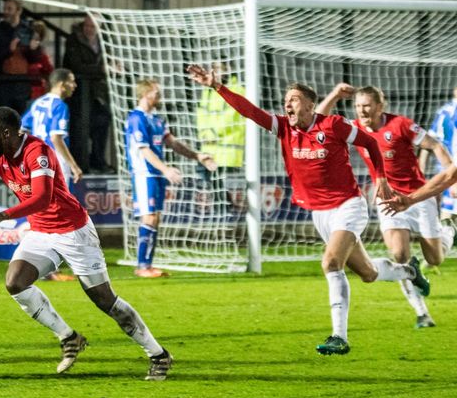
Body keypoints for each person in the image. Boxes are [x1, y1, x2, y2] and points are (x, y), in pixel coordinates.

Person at [0, 107, 174, 381]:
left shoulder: (39, 153)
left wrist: (4, 214)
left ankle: (158, 354)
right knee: (15, 282)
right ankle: (69, 337)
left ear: (8, 133)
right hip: (41, 232)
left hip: (74, 231)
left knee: (104, 300)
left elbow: (42, 199)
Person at [187, 64, 430, 355]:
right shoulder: (284, 128)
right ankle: (408, 271)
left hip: (349, 206)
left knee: (330, 263)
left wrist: (380, 179)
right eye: (286, 99)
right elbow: (250, 111)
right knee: (367, 273)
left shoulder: (333, 125)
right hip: (319, 213)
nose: (287, 103)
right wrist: (217, 86)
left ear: (311, 104)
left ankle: (339, 337)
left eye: (294, 99)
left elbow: (370, 143)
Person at [317, 83, 454, 329]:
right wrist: (336, 95)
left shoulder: (400, 125)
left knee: (434, 258)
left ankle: (449, 230)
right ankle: (421, 313)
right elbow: (319, 121)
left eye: (367, 105)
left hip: (418, 198)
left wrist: (450, 178)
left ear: (380, 106)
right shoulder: (356, 128)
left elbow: (435, 146)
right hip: (388, 199)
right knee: (400, 255)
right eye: (358, 106)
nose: (361, 111)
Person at [125, 79, 218, 278]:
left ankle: (147, 265)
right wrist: (166, 169)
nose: (161, 93)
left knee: (155, 218)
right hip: (144, 174)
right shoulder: (136, 118)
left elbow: (173, 143)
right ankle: (142, 266)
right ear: (146, 92)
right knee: (149, 216)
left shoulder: (157, 119)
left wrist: (197, 156)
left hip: (156, 174)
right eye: (157, 90)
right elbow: (144, 150)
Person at [21, 68, 81, 283]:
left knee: (46, 214)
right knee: (58, 216)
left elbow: (23, 130)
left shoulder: (38, 103)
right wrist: (73, 165)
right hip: (55, 166)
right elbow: (56, 138)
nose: (75, 86)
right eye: (72, 81)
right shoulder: (60, 106)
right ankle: (47, 268)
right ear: (62, 83)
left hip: (37, 166)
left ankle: (47, 266)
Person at [63, 16, 113, 173]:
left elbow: (109, 62)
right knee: (80, 128)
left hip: (99, 92)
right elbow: (76, 66)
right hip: (80, 92)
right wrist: (101, 70)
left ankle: (98, 161)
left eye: (93, 26)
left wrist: (114, 68)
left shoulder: (105, 41)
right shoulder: (73, 40)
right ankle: (81, 164)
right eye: (87, 25)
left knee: (102, 123)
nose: (89, 29)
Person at [196, 61, 247, 216]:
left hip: (227, 147)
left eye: (220, 68)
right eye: (214, 68)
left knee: (217, 179)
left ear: (228, 70)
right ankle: (228, 207)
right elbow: (201, 114)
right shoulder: (208, 91)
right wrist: (204, 134)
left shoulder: (238, 89)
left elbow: (232, 116)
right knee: (209, 178)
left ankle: (227, 209)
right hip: (209, 146)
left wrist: (213, 132)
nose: (216, 72)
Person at [0, 0, 42, 114]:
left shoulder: (29, 31)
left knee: (21, 120)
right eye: (4, 8)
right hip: (1, 84)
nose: (5, 12)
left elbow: (36, 58)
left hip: (21, 84)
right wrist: (9, 50)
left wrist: (32, 50)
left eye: (9, 9)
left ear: (18, 11)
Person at [424, 87, 457, 218]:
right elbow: (429, 143)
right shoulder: (447, 112)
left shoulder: (444, 111)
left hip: (447, 172)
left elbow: (428, 144)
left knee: (448, 216)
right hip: (448, 171)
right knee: (448, 215)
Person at [27, 21, 54, 101]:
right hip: (26, 90)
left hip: (37, 92)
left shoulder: (42, 54)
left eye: (37, 39)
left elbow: (48, 70)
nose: (35, 41)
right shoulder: (22, 51)